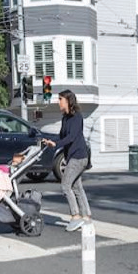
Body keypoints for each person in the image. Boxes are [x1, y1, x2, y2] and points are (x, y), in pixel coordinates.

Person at [42, 89, 92, 231]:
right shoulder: (65, 117)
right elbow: (61, 136)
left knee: (65, 185)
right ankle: (86, 217)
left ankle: (75, 216)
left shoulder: (77, 117)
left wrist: (56, 144)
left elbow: (71, 137)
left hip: (79, 156)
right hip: (74, 156)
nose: (58, 102)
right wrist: (50, 141)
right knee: (77, 187)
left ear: (68, 101)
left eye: (60, 99)